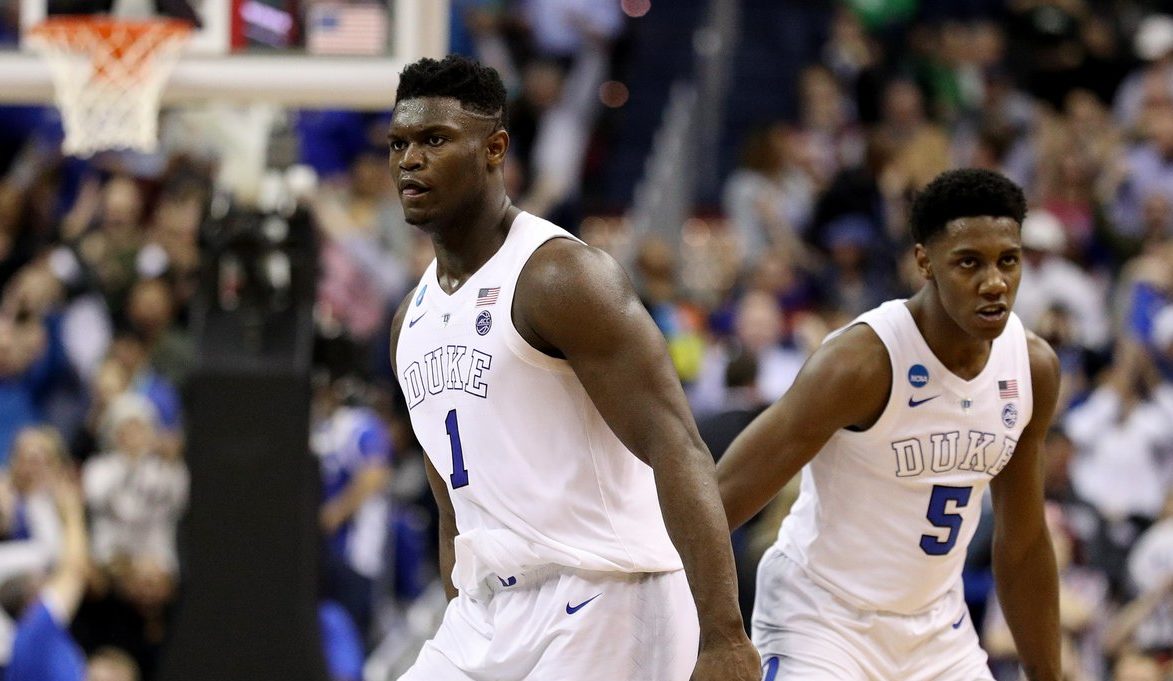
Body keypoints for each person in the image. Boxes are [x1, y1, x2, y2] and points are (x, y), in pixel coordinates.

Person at [386, 55, 758, 680]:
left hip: (605, 593)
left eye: (434, 140)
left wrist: (723, 634)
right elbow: (453, 506)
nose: (409, 160)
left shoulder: (560, 277)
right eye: (399, 143)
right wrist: (462, 613)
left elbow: (677, 445)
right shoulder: (410, 318)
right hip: (487, 611)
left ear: (494, 149)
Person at [718, 168, 1062, 680]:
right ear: (924, 261)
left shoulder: (1031, 367)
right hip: (822, 618)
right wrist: (714, 632)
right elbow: (719, 499)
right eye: (969, 262)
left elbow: (1026, 543)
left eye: (1007, 261)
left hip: (936, 628)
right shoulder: (860, 363)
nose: (994, 282)